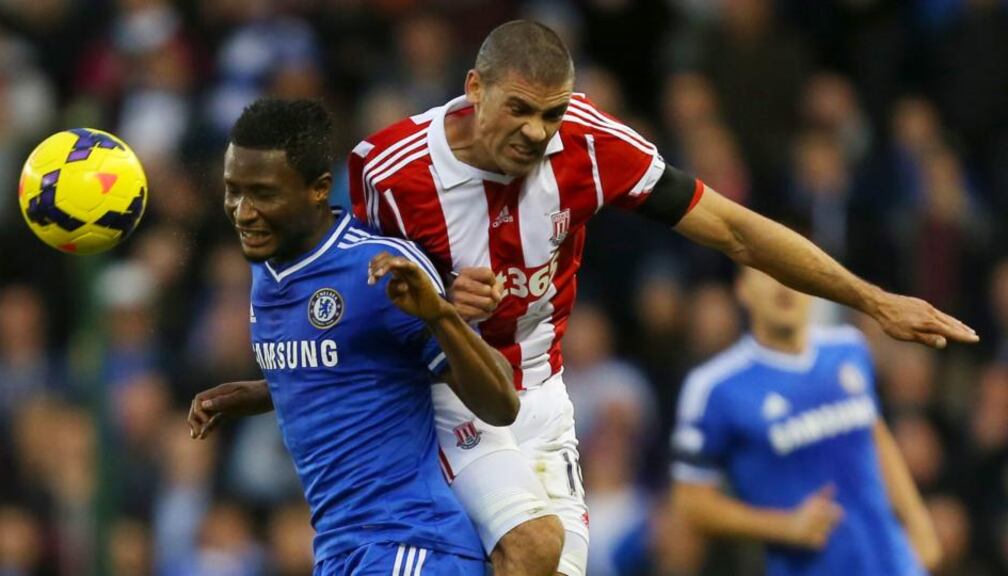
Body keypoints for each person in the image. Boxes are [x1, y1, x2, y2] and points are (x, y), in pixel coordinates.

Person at [195, 21, 976, 576]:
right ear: (474, 91)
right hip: (451, 398)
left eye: (553, 113)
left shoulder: (595, 149)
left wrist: (873, 300)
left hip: (543, 397)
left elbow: (735, 231)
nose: (538, 133)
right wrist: (284, 384)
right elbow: (349, 307)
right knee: (529, 549)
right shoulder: (390, 170)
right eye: (520, 111)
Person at [187, 98, 519, 575]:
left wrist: (439, 315)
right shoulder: (267, 269)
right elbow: (355, 366)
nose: (243, 212)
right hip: (341, 551)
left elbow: (502, 401)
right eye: (233, 191)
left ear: (319, 189)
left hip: (411, 542)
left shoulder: (376, 269)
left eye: (263, 194)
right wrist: (262, 392)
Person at [670, 267, 942, 575]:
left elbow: (874, 434)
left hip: (893, 564)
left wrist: (918, 521)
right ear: (742, 288)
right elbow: (690, 503)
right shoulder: (714, 387)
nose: (784, 284)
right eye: (766, 271)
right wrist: (783, 526)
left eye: (791, 271)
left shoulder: (849, 347)